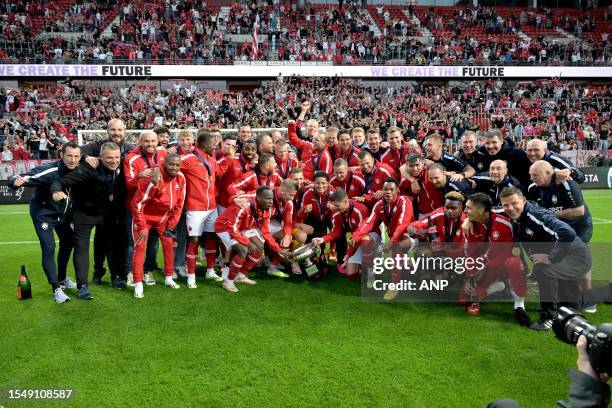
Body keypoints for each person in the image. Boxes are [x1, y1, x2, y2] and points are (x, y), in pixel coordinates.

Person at [499, 187, 591, 330]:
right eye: (505, 205)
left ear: (523, 200)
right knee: (571, 307)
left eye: (514, 203)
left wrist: (551, 258)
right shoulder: (518, 216)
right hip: (564, 259)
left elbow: (567, 232)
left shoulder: (536, 215)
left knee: (544, 270)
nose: (510, 208)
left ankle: (549, 318)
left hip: (577, 257)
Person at [50, 142, 127, 300]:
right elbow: (61, 181)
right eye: (109, 158)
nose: (114, 161)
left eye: (116, 157)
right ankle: (82, 286)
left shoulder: (123, 165)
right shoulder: (88, 169)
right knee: (81, 249)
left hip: (107, 214)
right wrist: (56, 190)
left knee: (112, 246)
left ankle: (115, 276)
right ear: (100, 157)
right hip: (84, 214)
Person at [8, 142, 79, 303]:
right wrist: (14, 181)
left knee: (69, 242)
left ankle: (62, 278)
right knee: (49, 248)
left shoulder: (79, 170)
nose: (73, 159)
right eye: (69, 155)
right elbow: (25, 177)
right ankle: (56, 288)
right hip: (43, 214)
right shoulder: (49, 170)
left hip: (63, 214)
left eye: (76, 156)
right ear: (61, 155)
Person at [528, 160, 595, 313]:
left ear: (548, 173)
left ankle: (588, 298)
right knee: (556, 259)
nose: (532, 178)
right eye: (530, 175)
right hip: (558, 231)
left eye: (535, 175)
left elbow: (579, 211)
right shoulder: (533, 188)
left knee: (578, 259)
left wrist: (552, 216)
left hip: (579, 227)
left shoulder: (566, 182)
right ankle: (563, 296)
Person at [462, 193, 530, 325]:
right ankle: (498, 287)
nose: (465, 211)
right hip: (486, 264)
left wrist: (485, 267)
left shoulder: (504, 224)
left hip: (502, 263)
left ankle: (519, 305)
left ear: (481, 210)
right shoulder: (470, 225)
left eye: (469, 208)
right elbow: (471, 253)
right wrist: (470, 275)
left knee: (513, 262)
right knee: (463, 297)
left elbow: (507, 252)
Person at [131, 154, 186, 298]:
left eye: (177, 165)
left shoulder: (181, 178)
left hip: (164, 220)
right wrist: (141, 225)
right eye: (171, 164)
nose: (174, 167)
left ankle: (169, 277)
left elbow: (179, 205)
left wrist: (171, 226)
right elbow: (137, 203)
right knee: (140, 247)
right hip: (145, 218)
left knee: (168, 245)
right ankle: (138, 283)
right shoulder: (154, 179)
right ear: (164, 164)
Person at [180, 131, 231, 287]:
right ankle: (191, 276)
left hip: (212, 207)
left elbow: (219, 172)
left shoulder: (211, 159)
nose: (215, 147)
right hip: (195, 208)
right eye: (212, 144)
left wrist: (229, 158)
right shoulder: (187, 159)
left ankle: (210, 271)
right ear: (203, 145)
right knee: (194, 239)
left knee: (211, 237)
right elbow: (169, 164)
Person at [215, 186, 287, 293]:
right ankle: (228, 282)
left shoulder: (267, 210)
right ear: (258, 198)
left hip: (243, 228)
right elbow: (232, 228)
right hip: (224, 227)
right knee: (242, 250)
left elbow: (266, 232)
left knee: (260, 247)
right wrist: (248, 243)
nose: (271, 202)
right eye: (267, 199)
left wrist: (278, 249)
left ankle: (241, 276)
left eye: (272, 199)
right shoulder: (244, 206)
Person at [352, 178, 414, 297]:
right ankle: (371, 273)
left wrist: (392, 241)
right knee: (365, 241)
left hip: (410, 237)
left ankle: (394, 287)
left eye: (391, 189)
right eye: (386, 189)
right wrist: (356, 236)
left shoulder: (404, 201)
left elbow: (403, 223)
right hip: (395, 239)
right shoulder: (380, 204)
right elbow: (369, 222)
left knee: (396, 248)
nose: (388, 192)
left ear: (397, 190)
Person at [124, 130, 166, 286]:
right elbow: (129, 185)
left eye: (153, 141)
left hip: (155, 208)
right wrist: (140, 176)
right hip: (137, 207)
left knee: (154, 241)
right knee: (134, 241)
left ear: (157, 141)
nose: (150, 144)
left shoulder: (162, 154)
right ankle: (130, 272)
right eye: (147, 141)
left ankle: (148, 270)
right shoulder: (131, 158)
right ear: (140, 142)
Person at [311, 188, 377, 279]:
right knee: (350, 274)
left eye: (337, 205)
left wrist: (349, 253)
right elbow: (336, 232)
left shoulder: (360, 210)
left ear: (346, 201)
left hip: (370, 236)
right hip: (356, 239)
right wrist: (322, 239)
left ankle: (372, 268)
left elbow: (361, 234)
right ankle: (362, 266)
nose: (335, 208)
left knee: (364, 240)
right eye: (334, 205)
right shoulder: (336, 212)